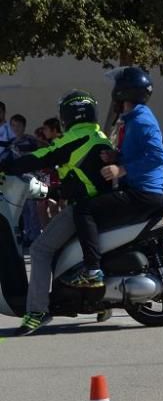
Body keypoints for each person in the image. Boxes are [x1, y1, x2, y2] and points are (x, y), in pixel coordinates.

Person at [0, 90, 114, 335]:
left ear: (70, 114)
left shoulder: (76, 137)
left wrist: (7, 165)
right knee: (62, 249)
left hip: (84, 206)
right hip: (100, 203)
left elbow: (43, 156)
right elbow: (79, 172)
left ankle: (37, 311)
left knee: (40, 249)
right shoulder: (99, 136)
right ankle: (97, 301)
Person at [72, 68, 163, 287]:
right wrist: (117, 156)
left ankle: (93, 271)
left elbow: (158, 156)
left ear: (123, 93)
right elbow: (140, 151)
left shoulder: (142, 120)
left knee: (83, 209)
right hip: (143, 190)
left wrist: (121, 170)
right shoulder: (135, 118)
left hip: (143, 192)